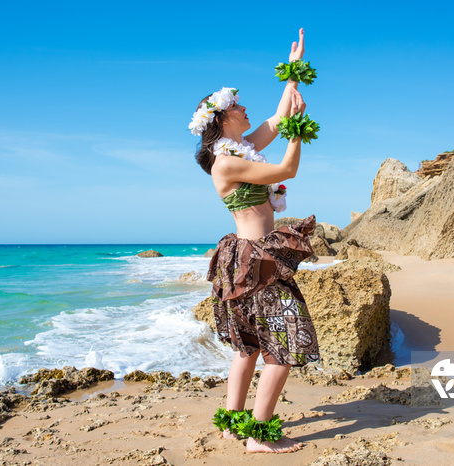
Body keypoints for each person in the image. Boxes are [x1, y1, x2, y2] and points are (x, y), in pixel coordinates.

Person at [189, 29, 320, 454]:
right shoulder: (227, 162)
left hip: (244, 258)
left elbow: (276, 120)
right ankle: (259, 435)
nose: (245, 108)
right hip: (257, 261)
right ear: (222, 119)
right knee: (282, 345)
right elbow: (286, 170)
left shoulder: (240, 149)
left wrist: (294, 72)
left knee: (247, 348)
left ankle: (232, 424)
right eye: (237, 105)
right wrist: (300, 131)